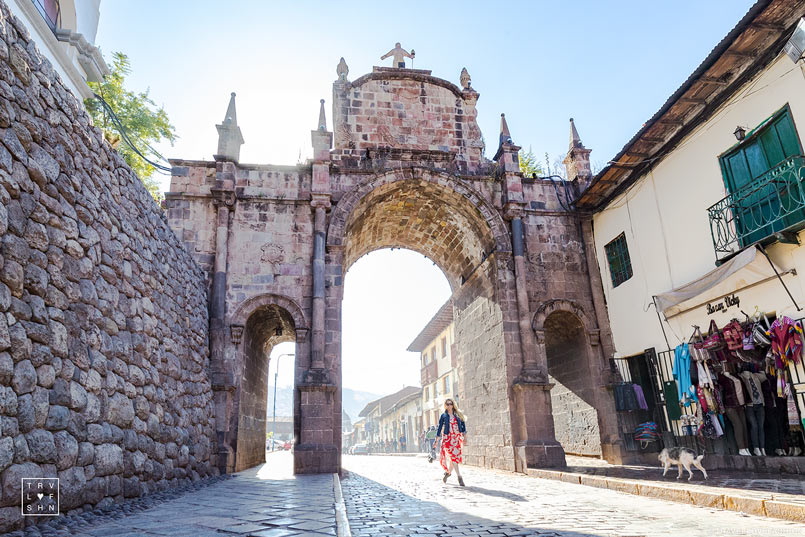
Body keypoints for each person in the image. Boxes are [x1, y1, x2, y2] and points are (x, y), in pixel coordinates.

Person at [436, 398, 467, 486]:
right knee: (453, 458)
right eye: (447, 404)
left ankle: (448, 473)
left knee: (455, 459)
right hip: (447, 439)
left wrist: (465, 437)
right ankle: (459, 477)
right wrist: (437, 439)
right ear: (445, 405)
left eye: (451, 404)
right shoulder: (443, 416)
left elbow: (463, 426)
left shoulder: (458, 415)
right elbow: (439, 428)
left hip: (456, 438)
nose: (449, 406)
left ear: (453, 405)